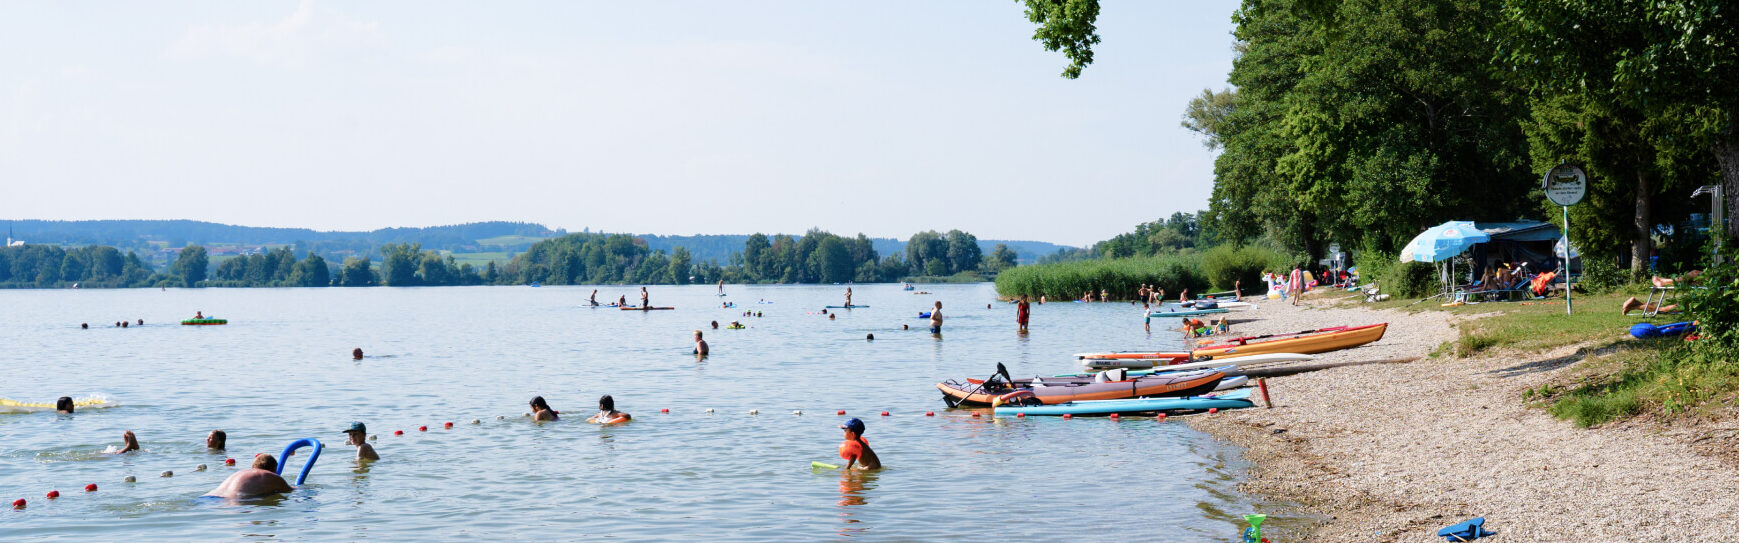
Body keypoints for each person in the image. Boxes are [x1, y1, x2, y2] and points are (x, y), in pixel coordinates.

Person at [205, 454, 295, 498]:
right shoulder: (271, 476)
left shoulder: (241, 473)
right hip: (231, 502)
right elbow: (291, 491)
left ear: (253, 467)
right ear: (275, 469)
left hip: (209, 497)